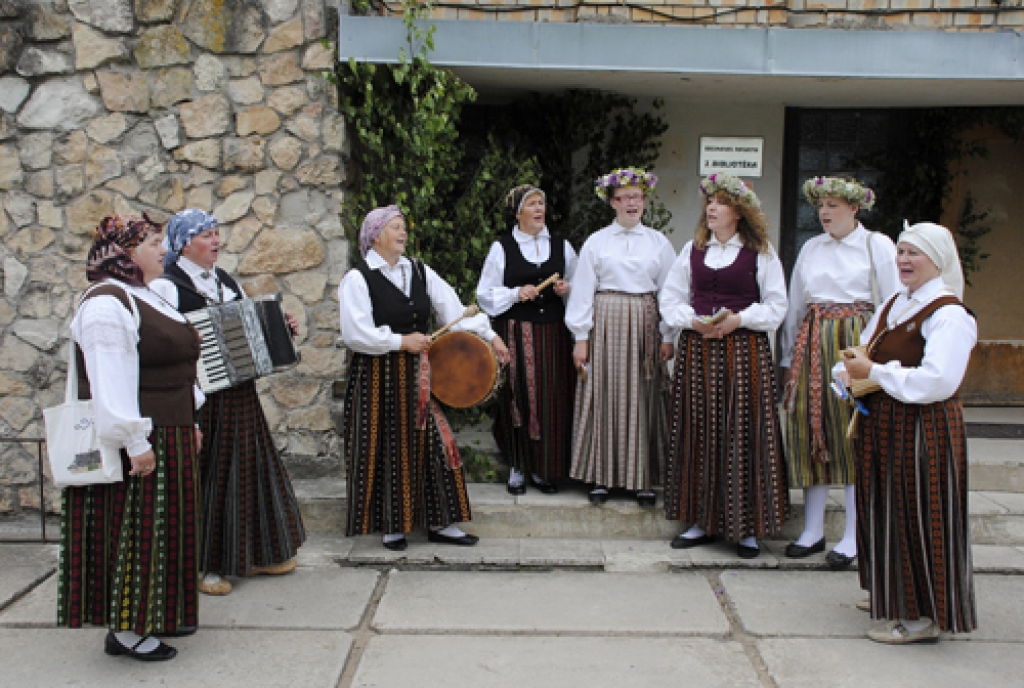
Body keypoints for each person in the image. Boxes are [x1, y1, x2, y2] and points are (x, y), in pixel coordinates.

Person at [57, 214, 203, 661]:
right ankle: (125, 631)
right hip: (141, 442)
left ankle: (154, 615)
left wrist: (190, 417)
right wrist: (134, 442)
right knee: (135, 534)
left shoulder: (144, 295)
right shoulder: (105, 303)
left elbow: (173, 368)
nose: (163, 249)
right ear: (125, 251)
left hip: (169, 432)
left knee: (165, 533)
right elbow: (110, 379)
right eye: (154, 241)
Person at [150, 209, 306, 596]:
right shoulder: (167, 288)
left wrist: (278, 329)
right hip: (200, 398)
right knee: (211, 477)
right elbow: (161, 343)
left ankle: (255, 554)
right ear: (185, 244)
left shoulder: (224, 280)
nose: (217, 241)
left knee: (249, 470)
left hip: (238, 393)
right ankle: (206, 567)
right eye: (207, 235)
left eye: (217, 233)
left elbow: (248, 327)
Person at [338, 205, 510, 550]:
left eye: (404, 227)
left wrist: (489, 335)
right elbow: (356, 334)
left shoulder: (418, 270)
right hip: (377, 377)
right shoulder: (358, 278)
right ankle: (392, 526)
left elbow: (454, 310)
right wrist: (401, 341)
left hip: (417, 374)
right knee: (387, 445)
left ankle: (441, 522)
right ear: (375, 236)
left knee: (434, 442)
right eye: (396, 227)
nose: (403, 233)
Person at [837, 221, 977, 645]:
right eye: (900, 251)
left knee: (920, 515)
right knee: (886, 510)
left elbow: (939, 381)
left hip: (924, 429)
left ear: (938, 260)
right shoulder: (897, 303)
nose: (903, 260)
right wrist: (846, 374)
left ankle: (921, 617)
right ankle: (892, 592)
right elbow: (865, 347)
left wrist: (874, 373)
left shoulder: (949, 314)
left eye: (914, 253)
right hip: (885, 424)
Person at [660, 174, 789, 559]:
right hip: (698, 352)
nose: (711, 209)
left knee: (743, 432)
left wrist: (740, 319)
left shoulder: (761, 251)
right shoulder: (692, 249)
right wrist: (691, 321)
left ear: (739, 211)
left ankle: (746, 528)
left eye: (720, 203)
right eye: (709, 203)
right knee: (699, 431)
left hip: (744, 354)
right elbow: (671, 298)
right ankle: (700, 520)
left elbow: (777, 306)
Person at [778, 177, 898, 568]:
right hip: (813, 340)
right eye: (821, 206)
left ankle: (854, 534)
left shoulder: (876, 245)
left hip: (856, 342)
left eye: (833, 205)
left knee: (852, 432)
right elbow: (797, 305)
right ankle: (812, 529)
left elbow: (893, 304)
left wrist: (873, 357)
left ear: (854, 208)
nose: (825, 213)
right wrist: (787, 360)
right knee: (813, 430)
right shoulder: (812, 247)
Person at [565, 167, 676, 507]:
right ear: (612, 202)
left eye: (637, 197)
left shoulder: (659, 243)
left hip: (643, 323)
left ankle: (641, 479)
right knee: (604, 394)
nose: (632, 203)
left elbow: (670, 291)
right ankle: (601, 476)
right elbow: (583, 291)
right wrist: (581, 337)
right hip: (606, 324)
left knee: (642, 396)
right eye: (625, 197)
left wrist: (667, 334)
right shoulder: (597, 242)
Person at [477, 185, 578, 495]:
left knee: (552, 398)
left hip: (554, 335)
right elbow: (484, 293)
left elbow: (580, 285)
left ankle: (545, 469)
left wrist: (567, 290)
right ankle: (518, 466)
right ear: (517, 212)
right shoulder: (502, 248)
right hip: (517, 333)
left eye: (542, 203)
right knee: (518, 397)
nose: (539, 209)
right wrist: (515, 293)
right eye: (532, 204)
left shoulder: (562, 246)